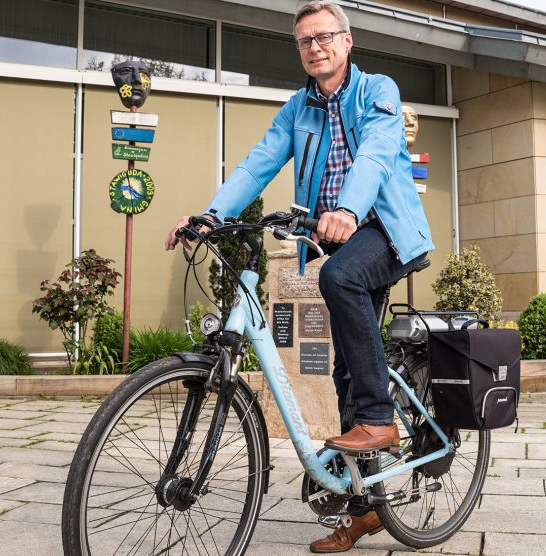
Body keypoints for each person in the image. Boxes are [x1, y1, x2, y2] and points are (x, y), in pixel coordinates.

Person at [166, 2, 433, 552]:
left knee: (338, 278)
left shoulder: (376, 90)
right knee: (343, 372)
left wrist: (350, 209)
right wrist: (210, 214)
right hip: (338, 235)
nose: (315, 46)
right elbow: (258, 162)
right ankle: (365, 507)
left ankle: (381, 418)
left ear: (347, 41)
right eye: (305, 40)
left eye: (325, 36)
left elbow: (379, 155)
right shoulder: (297, 109)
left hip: (384, 227)